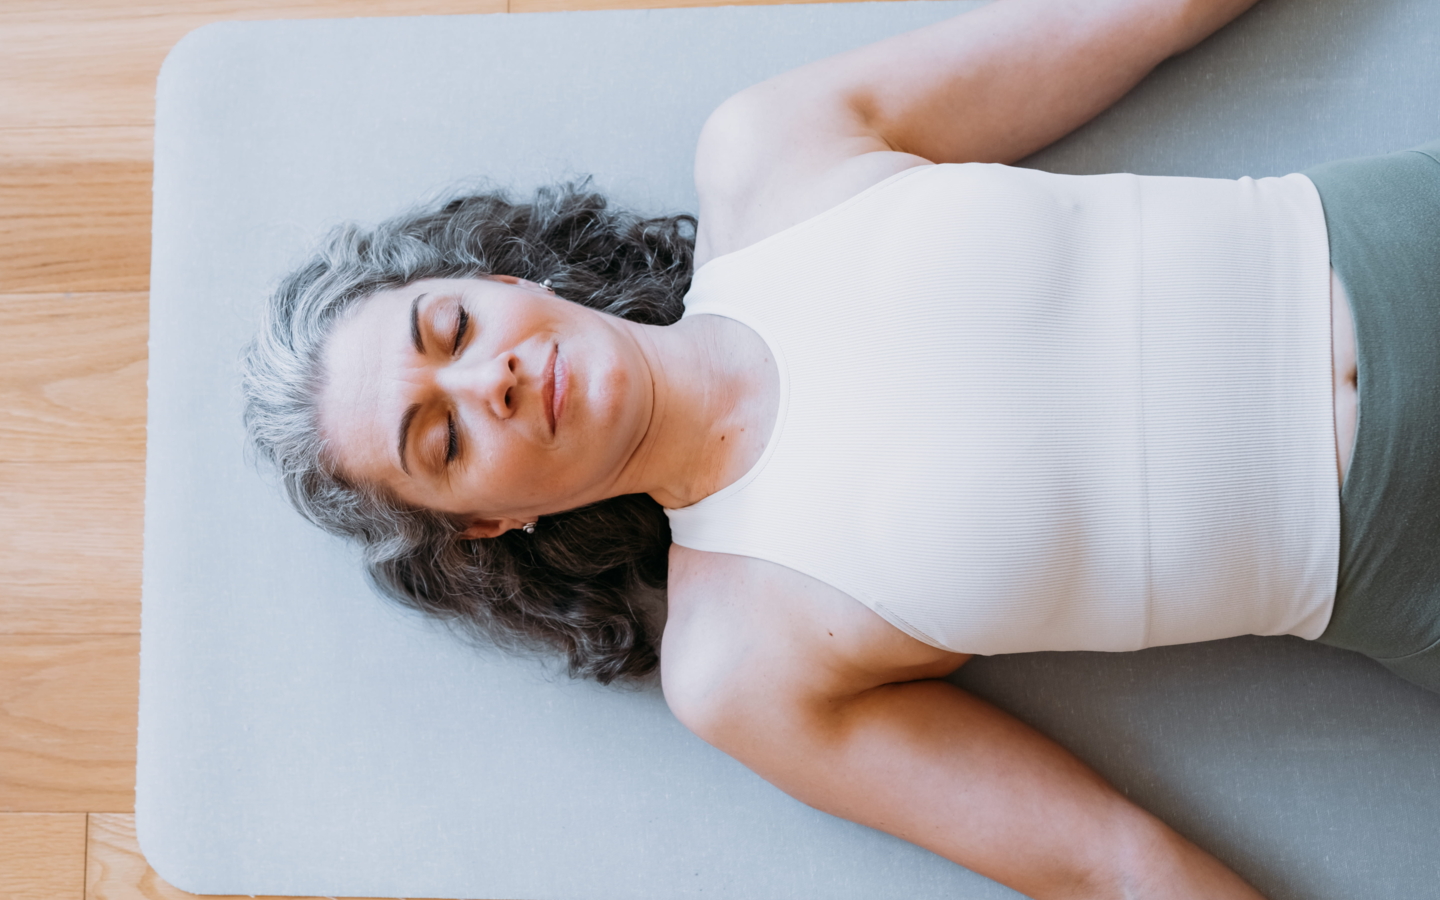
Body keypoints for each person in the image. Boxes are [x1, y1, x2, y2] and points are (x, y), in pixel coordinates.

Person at [242, 0, 1440, 895]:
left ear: (503, 281)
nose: (487, 381)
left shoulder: (771, 149)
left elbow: (1122, 13)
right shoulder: (738, 664)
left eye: (450, 329)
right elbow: (1104, 866)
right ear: (487, 525)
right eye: (441, 437)